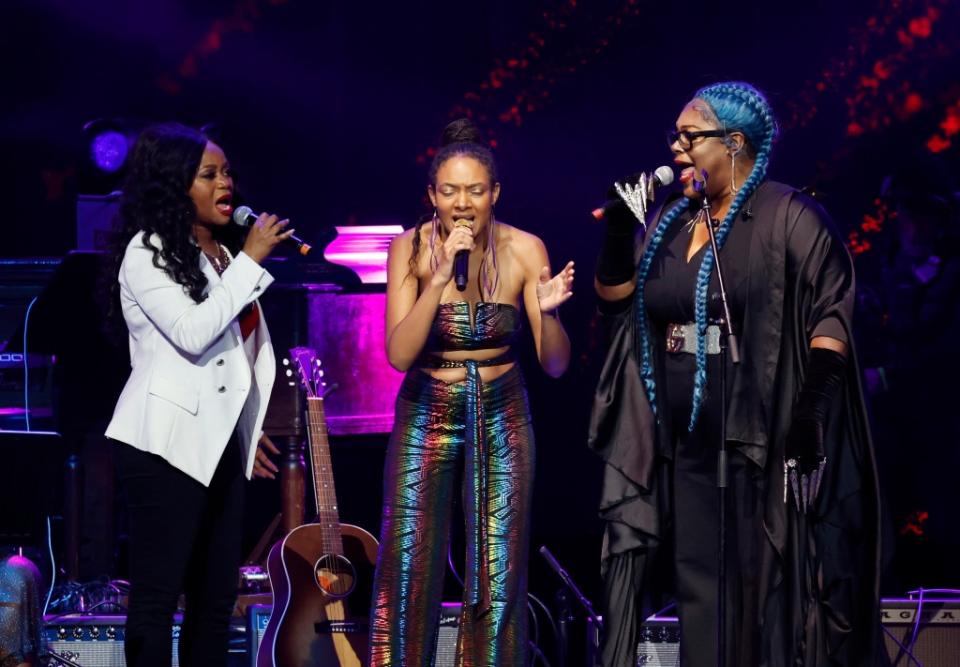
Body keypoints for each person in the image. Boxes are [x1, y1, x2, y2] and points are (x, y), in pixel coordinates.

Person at [589, 82, 881, 666]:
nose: (675, 147)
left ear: (735, 142)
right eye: (674, 136)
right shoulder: (671, 221)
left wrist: (810, 416)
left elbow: (832, 313)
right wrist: (620, 232)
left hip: (762, 438)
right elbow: (617, 302)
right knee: (700, 583)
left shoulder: (789, 215)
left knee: (765, 585)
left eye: (689, 136)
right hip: (686, 444)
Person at [369, 118, 575, 666]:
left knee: (497, 561)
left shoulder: (526, 249)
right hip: (426, 407)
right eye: (451, 191)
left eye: (476, 191)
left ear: (495, 195)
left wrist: (549, 315)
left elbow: (554, 364)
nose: (463, 204)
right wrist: (436, 279)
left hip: (501, 406)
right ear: (432, 196)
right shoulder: (407, 250)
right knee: (408, 560)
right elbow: (397, 354)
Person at [103, 122, 290, 666]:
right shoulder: (149, 250)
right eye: (208, 174)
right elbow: (191, 333)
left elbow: (234, 363)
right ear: (174, 183)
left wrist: (242, 430)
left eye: (226, 171)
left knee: (216, 602)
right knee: (160, 598)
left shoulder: (222, 256)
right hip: (161, 445)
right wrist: (252, 261)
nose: (224, 182)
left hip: (217, 447)